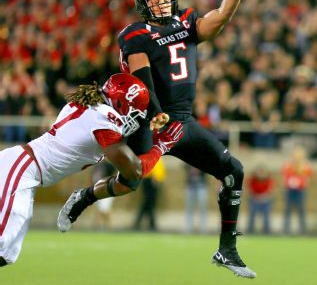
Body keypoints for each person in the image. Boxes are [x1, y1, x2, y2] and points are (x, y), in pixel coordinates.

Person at [118, 0, 256, 278]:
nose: (162, 4)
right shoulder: (135, 35)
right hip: (149, 122)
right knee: (129, 182)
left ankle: (227, 249)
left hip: (182, 122)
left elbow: (219, 18)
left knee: (233, 170)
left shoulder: (186, 21)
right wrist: (154, 112)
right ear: (144, 6)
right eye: (155, 1)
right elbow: (143, 78)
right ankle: (85, 198)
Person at [0, 73, 183, 267]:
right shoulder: (103, 117)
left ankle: (84, 197)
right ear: (120, 103)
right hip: (21, 169)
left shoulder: (91, 106)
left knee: (8, 251)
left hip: (23, 169)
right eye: (134, 112)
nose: (134, 118)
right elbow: (134, 172)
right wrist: (160, 147)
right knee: (4, 246)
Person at [281, 145, 314, 234]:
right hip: (290, 190)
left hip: (300, 190)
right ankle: (286, 229)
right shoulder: (288, 165)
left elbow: (309, 176)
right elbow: (284, 174)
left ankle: (302, 229)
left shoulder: (305, 166)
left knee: (301, 209)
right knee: (287, 209)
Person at [133, 158, 166, 231]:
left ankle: (140, 222)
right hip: (151, 181)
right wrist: (155, 177)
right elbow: (154, 167)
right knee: (149, 202)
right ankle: (151, 224)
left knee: (148, 202)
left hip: (152, 180)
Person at [246, 165, 274, 234]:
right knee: (252, 213)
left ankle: (267, 231)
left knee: (266, 215)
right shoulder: (252, 179)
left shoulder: (269, 180)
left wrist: (263, 197)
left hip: (265, 200)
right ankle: (250, 230)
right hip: (254, 199)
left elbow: (270, 190)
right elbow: (249, 189)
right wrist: (256, 197)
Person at [185, 165, 208, 234]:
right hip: (190, 185)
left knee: (202, 208)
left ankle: (203, 228)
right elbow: (184, 166)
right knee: (189, 208)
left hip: (201, 186)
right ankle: (188, 228)